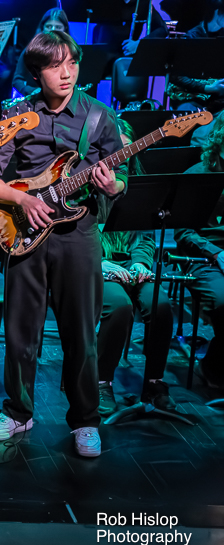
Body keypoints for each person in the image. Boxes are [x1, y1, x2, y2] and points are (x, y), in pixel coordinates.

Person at [0, 31, 127, 458]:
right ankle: (18, 412)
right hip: (25, 231)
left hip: (78, 235)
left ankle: (85, 420)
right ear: (37, 72)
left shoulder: (99, 117)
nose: (66, 72)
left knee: (81, 332)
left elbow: (122, 180)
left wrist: (112, 185)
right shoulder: (18, 115)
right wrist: (21, 199)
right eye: (55, 65)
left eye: (72, 63)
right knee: (21, 331)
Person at [96, 121, 176, 415]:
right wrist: (100, 262)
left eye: (127, 148)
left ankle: (154, 382)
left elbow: (145, 236)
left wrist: (141, 262)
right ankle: (101, 381)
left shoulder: (140, 184)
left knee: (160, 304)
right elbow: (78, 233)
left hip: (131, 265)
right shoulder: (86, 183)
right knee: (119, 306)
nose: (122, 155)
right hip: (95, 264)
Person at [174, 117, 223, 389]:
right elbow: (183, 232)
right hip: (202, 258)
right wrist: (215, 253)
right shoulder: (197, 175)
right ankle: (213, 369)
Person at [168, 0, 224, 113]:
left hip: (217, 99)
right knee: (190, 114)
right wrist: (207, 87)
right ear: (218, 13)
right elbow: (175, 76)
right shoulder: (191, 38)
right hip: (191, 98)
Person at [12, 8, 71, 98]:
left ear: (65, 29)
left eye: (58, 27)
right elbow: (17, 80)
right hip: (35, 100)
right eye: (49, 26)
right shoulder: (31, 50)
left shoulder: (71, 51)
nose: (53, 30)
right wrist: (30, 90)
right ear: (43, 27)